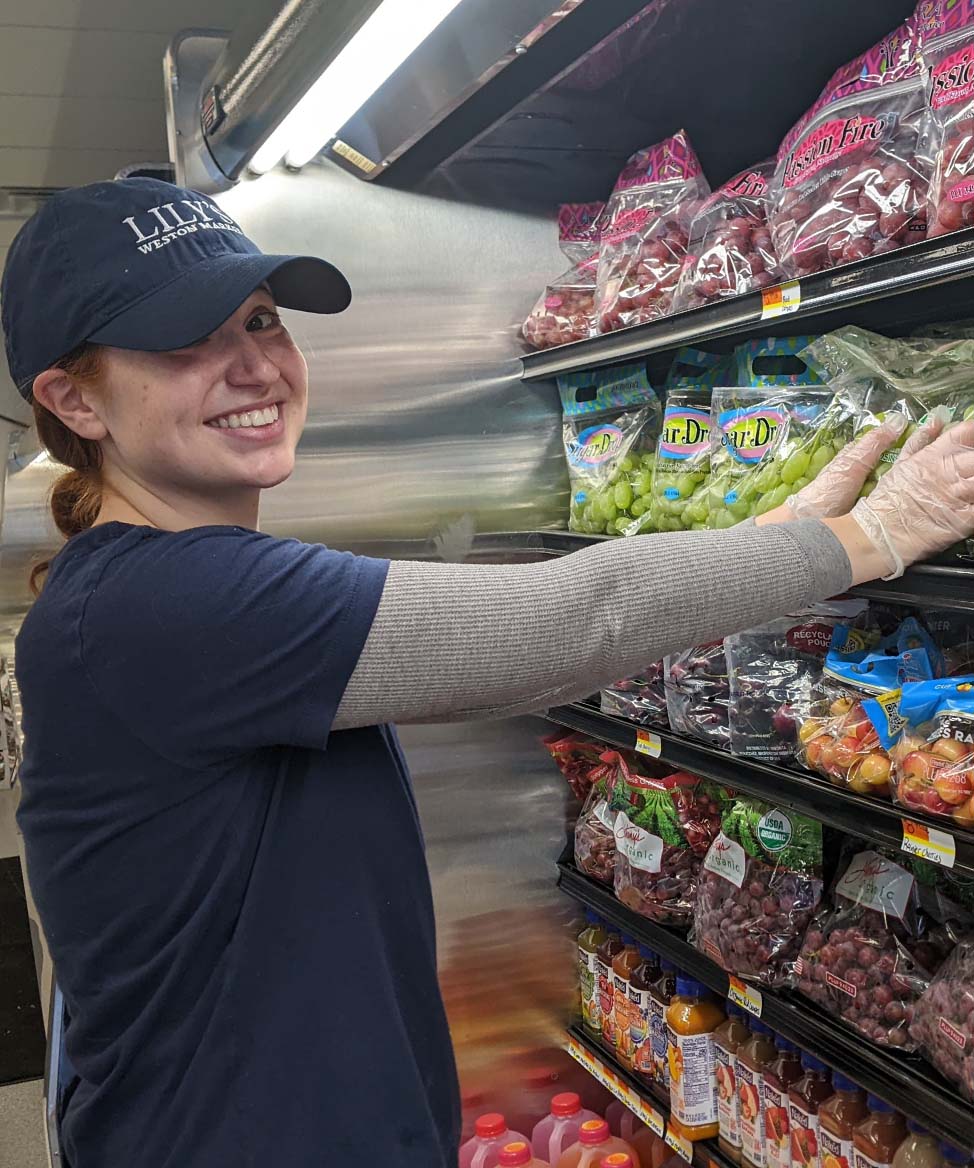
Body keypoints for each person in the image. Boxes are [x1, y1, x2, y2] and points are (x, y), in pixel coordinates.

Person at [3, 178, 974, 1168]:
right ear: (74, 399)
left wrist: (777, 536)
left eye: (259, 320)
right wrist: (867, 537)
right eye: (183, 341)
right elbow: (560, 624)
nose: (251, 365)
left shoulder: (146, 594)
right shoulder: (165, 604)